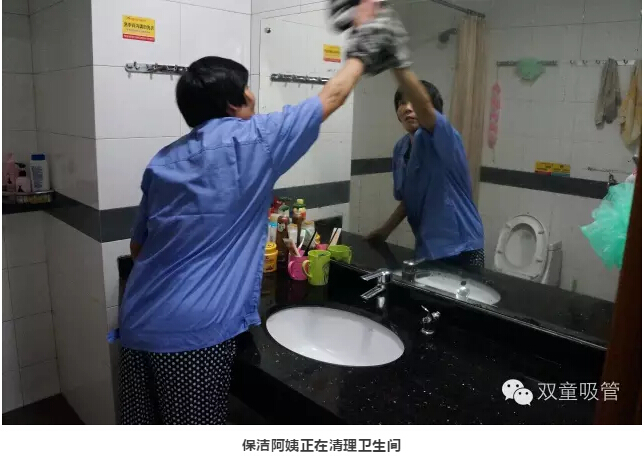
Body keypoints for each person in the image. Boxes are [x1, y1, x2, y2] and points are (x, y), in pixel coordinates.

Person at [117, 0, 410, 425]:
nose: (253, 94)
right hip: (191, 335)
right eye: (247, 87)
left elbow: (138, 249)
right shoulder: (254, 140)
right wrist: (365, 44)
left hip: (138, 318)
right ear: (234, 102)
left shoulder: (163, 161)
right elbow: (331, 96)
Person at [367, 78, 485, 270]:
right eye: (402, 103)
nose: (407, 108)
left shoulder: (446, 138)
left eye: (415, 103)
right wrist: (384, 231)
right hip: (427, 246)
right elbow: (408, 200)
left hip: (462, 247)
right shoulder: (401, 148)